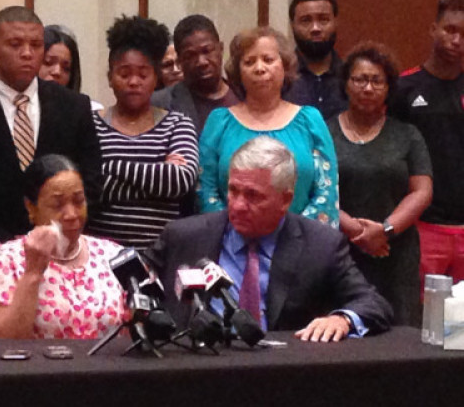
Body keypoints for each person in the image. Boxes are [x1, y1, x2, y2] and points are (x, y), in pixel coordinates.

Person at [145, 136, 393, 342]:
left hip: (279, 374)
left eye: (253, 196)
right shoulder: (183, 236)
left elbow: (373, 303)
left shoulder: (322, 244)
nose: (239, 205)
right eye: (233, 191)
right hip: (195, 368)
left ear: (285, 200)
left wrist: (342, 319)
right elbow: (130, 281)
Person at [0, 6, 101, 248]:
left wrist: (63, 229)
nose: (26, 53)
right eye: (15, 44)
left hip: (63, 244)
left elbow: (91, 179)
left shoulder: (73, 106)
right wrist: (5, 242)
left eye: (35, 45)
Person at [328, 43, 432, 326]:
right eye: (360, 79)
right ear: (346, 84)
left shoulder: (407, 135)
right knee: (340, 332)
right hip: (338, 251)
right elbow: (316, 189)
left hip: (396, 252)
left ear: (389, 87)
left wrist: (384, 230)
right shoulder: (324, 131)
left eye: (377, 80)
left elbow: (422, 191)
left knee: (400, 337)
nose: (368, 87)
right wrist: (354, 230)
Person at [0, 154, 125, 339]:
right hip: (38, 367)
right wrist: (33, 272)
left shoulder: (114, 255)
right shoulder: (4, 260)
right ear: (31, 208)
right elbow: (0, 344)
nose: (71, 214)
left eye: (78, 201)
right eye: (57, 205)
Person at [198, 26, 339, 228]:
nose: (259, 68)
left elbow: (327, 193)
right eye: (249, 62)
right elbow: (205, 191)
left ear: (285, 66)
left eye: (268, 59)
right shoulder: (219, 121)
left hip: (302, 245)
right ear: (238, 72)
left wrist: (289, 237)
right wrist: (238, 232)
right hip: (231, 243)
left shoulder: (310, 120)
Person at [87, 16, 198, 249]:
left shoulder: (178, 124)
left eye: (143, 74)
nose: (134, 81)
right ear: (110, 78)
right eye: (124, 74)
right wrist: (158, 180)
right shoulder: (90, 124)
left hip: (160, 255)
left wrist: (109, 167)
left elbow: (179, 181)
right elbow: (88, 187)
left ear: (156, 77)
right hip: (99, 259)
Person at [389, 0, 464, 290]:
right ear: (433, 29)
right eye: (450, 30)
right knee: (422, 324)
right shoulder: (403, 89)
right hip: (422, 227)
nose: (456, 40)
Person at [151, 14, 239, 135]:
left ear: (221, 49)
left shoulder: (244, 96)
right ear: (180, 60)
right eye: (190, 55)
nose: (201, 62)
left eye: (207, 51)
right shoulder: (159, 104)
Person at [284, 0, 347, 120]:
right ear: (292, 26)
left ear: (336, 23)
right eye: (306, 21)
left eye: (323, 20)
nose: (315, 28)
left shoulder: (351, 77)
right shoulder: (280, 77)